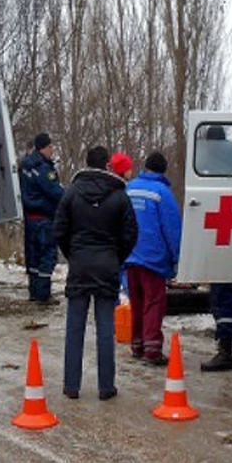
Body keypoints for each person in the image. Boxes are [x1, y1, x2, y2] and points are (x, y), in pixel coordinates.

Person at [53, 146, 138, 401]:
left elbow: (59, 230)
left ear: (86, 163)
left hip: (80, 264)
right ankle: (106, 387)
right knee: (105, 328)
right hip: (107, 264)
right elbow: (131, 234)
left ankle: (71, 385)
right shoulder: (120, 196)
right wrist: (115, 256)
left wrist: (73, 254)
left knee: (75, 327)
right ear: (107, 166)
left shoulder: (71, 193)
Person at [124, 151, 182, 366]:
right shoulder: (162, 193)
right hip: (153, 259)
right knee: (153, 303)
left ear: (146, 166)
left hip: (130, 256)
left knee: (136, 301)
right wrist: (177, 260)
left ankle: (137, 344)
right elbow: (172, 229)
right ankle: (152, 349)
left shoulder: (129, 188)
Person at [19, 132, 65, 305]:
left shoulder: (26, 165)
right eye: (50, 147)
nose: (52, 150)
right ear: (43, 148)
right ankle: (43, 294)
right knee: (47, 255)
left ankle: (33, 291)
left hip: (30, 218)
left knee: (33, 256)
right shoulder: (43, 168)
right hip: (44, 218)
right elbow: (55, 192)